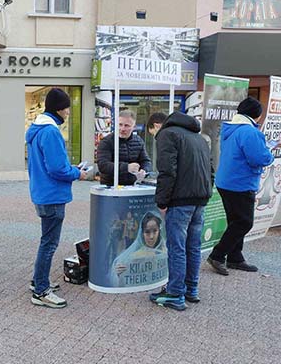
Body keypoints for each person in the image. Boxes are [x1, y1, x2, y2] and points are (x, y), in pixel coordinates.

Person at [26, 88, 88, 308]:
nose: (69, 113)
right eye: (67, 108)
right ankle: (41, 291)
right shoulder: (51, 132)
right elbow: (56, 169)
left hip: (42, 193)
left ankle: (38, 282)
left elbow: (48, 166)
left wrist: (68, 168)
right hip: (52, 195)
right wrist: (77, 173)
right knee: (49, 244)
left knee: (46, 241)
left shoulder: (37, 130)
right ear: (60, 109)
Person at [150, 112, 213, 311]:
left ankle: (175, 293)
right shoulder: (199, 138)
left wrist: (162, 201)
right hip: (200, 198)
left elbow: (167, 171)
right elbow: (211, 170)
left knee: (176, 246)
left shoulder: (168, 135)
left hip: (180, 200)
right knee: (193, 246)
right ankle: (190, 289)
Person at [207, 97, 273, 275]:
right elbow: (259, 158)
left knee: (235, 221)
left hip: (225, 182)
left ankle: (235, 258)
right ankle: (217, 255)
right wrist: (270, 154)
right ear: (257, 115)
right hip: (241, 183)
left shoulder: (230, 128)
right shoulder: (250, 132)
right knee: (244, 222)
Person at [112, 212, 167, 287]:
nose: (151, 236)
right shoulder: (136, 255)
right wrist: (118, 273)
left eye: (155, 231)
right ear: (142, 233)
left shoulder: (166, 251)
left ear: (159, 231)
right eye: (147, 232)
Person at [97, 110, 151, 186]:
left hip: (133, 185)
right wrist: (126, 167)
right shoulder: (106, 142)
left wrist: (144, 170)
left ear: (134, 127)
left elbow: (146, 161)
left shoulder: (139, 141)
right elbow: (103, 165)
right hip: (111, 186)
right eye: (120, 124)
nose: (122, 129)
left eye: (127, 126)